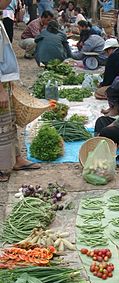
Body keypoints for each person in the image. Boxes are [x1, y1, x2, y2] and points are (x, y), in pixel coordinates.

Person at [0, 3, 40, 182]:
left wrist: (9, 81)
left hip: (4, 82)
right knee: (2, 125)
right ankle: (2, 166)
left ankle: (15, 159)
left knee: (10, 122)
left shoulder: (1, 18)